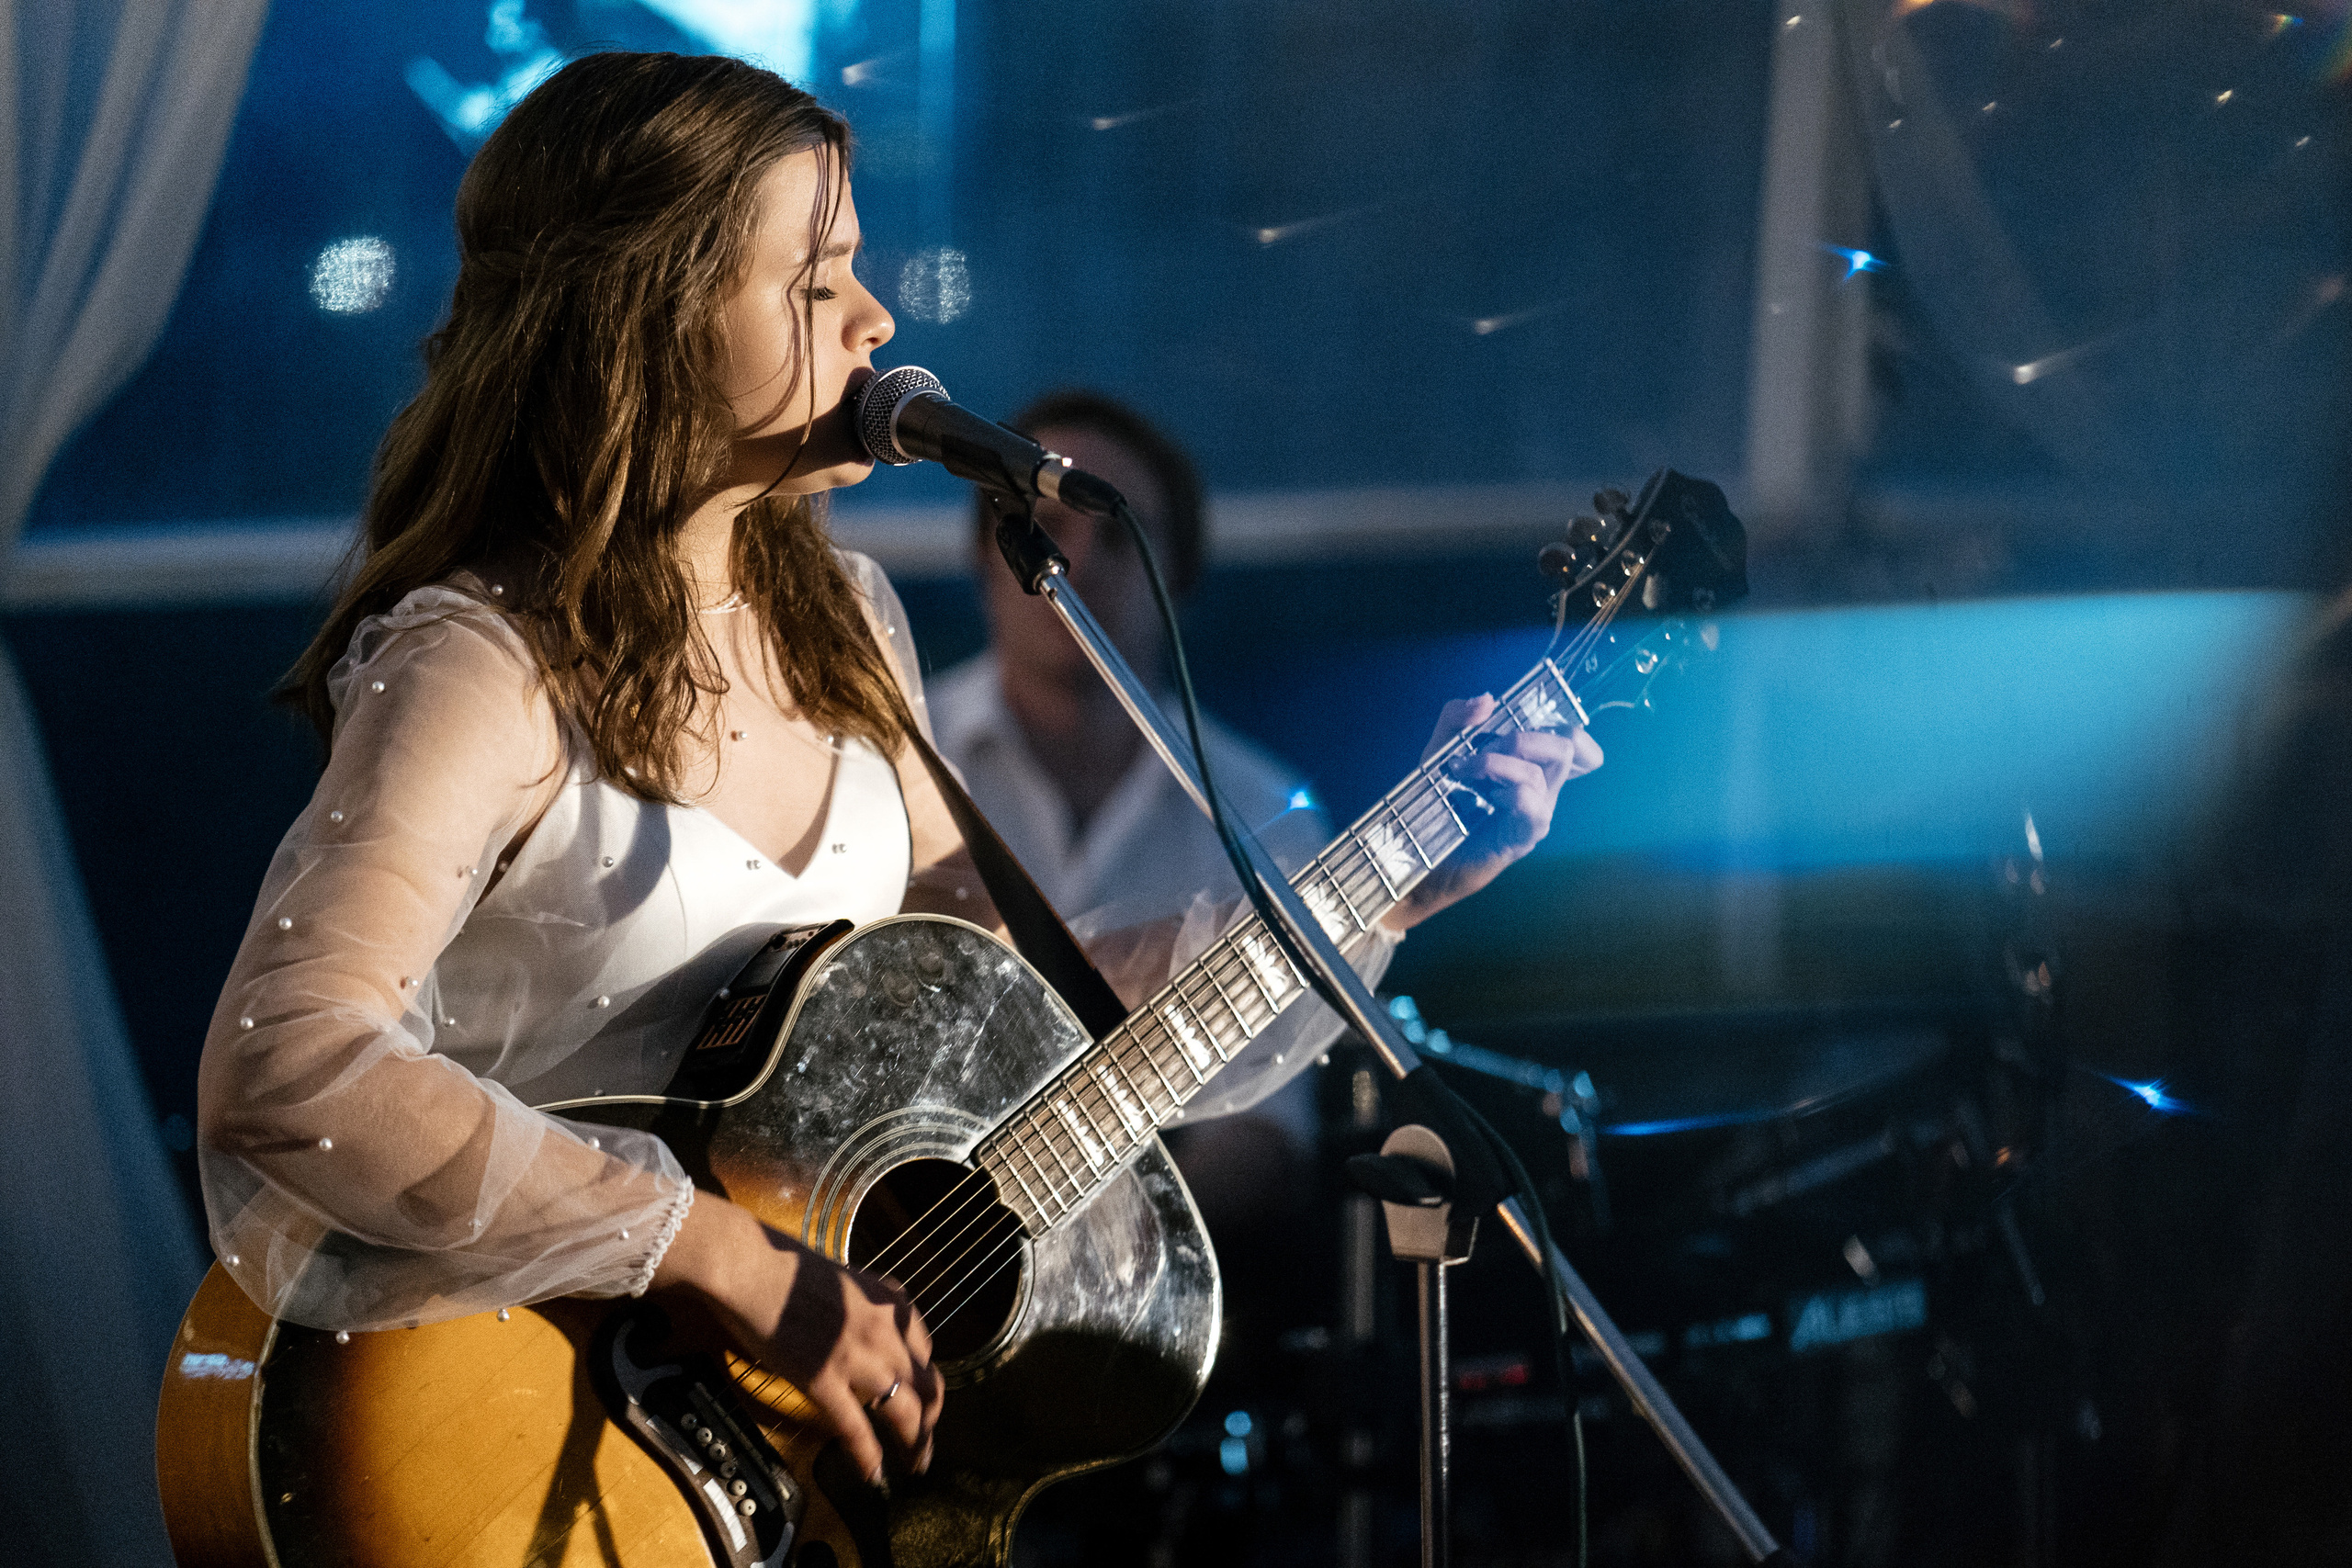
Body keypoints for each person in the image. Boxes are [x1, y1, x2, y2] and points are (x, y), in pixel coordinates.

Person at [193, 50, 1600, 1496]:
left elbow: (1020, 1014)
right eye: (817, 285)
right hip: (525, 1433)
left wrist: (1389, 884)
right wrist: (723, 1258)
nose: (878, 322)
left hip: (769, 1470)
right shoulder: (482, 663)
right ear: (649, 315)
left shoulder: (844, 627)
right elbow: (289, 1062)